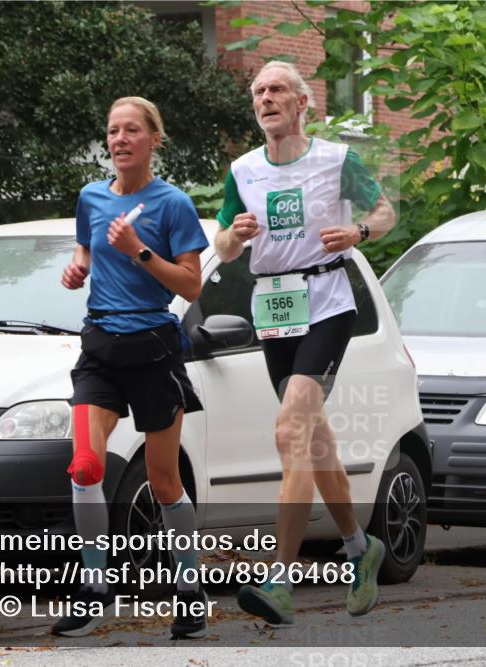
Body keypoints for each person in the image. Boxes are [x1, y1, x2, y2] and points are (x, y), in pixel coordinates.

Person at [214, 61, 397, 625]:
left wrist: (359, 232)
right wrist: (232, 236)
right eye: (258, 92)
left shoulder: (337, 160)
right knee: (316, 445)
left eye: (276, 91)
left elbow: (386, 211)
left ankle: (279, 580)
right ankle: (360, 549)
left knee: (291, 427)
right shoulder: (242, 170)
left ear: (301, 103)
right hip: (273, 309)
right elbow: (221, 247)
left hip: (327, 305)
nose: (265, 99)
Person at [54, 96, 208, 639]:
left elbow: (191, 285)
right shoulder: (92, 197)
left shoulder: (173, 204)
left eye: (132, 131)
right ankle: (94, 587)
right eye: (113, 131)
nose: (119, 140)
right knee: (85, 467)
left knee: (164, 482)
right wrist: (78, 268)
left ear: (153, 139)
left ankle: (188, 590)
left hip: (153, 349)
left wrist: (140, 249)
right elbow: (86, 251)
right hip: (100, 346)